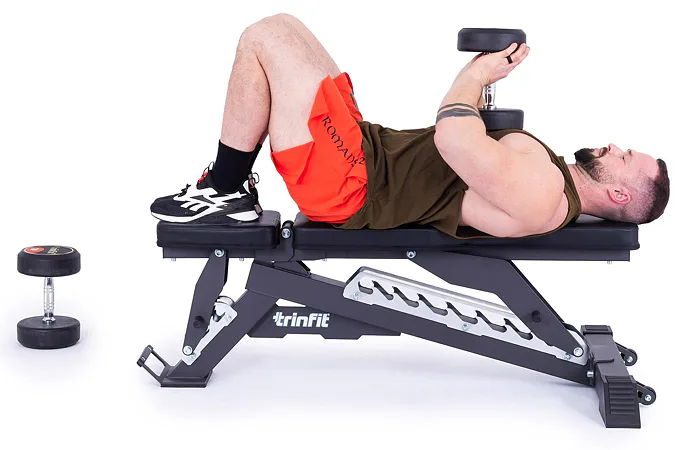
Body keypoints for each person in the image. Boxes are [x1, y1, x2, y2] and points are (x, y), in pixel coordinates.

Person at [150, 13, 670, 238]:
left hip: (352, 184)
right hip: (365, 152)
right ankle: (228, 187)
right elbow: (467, 153)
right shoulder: (547, 176)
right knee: (282, 28)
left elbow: (453, 137)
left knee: (264, 38)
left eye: (625, 157)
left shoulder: (544, 194)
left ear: (620, 195)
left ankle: (224, 189)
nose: (614, 146)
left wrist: (477, 75)